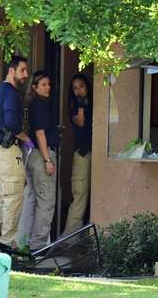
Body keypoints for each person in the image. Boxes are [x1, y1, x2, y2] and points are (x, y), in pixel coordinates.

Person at [0, 56, 34, 247]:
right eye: (22, 70)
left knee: (2, 198)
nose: (26, 75)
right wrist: (25, 138)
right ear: (11, 70)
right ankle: (7, 245)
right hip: (7, 150)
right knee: (13, 197)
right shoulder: (11, 92)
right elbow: (11, 122)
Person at [21, 70, 59, 250]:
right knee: (46, 202)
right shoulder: (40, 105)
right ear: (35, 87)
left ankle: (24, 241)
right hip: (40, 155)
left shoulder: (31, 104)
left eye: (49, 84)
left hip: (30, 154)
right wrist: (48, 160)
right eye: (43, 85)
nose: (48, 88)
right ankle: (38, 246)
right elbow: (40, 133)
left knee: (31, 199)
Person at [63, 73, 93, 235]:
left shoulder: (96, 103)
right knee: (80, 194)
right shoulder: (74, 106)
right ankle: (70, 237)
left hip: (97, 152)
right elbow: (80, 121)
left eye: (82, 86)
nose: (79, 90)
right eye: (75, 88)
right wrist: (81, 104)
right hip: (82, 153)